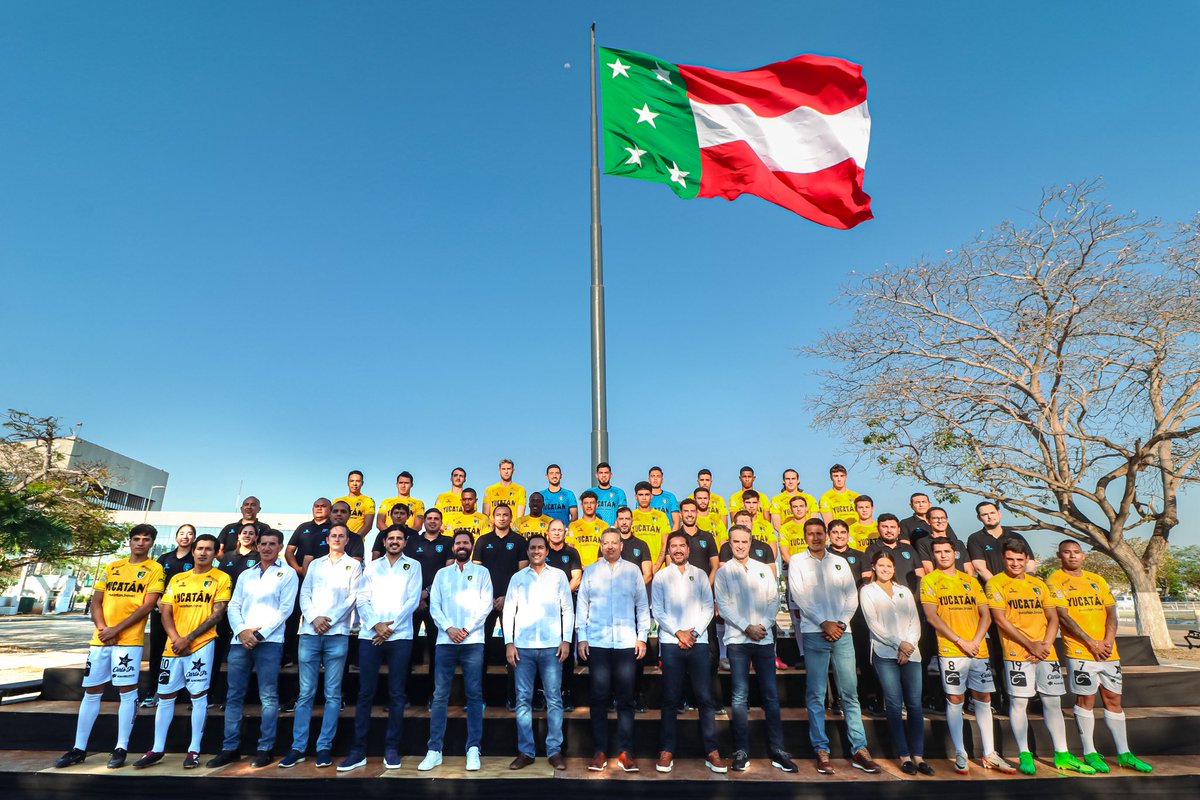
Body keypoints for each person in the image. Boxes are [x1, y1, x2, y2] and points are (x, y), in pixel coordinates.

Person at [55, 525, 165, 770]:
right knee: (92, 691)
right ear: (129, 541)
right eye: (136, 538)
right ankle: (79, 748)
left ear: (152, 543)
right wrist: (104, 627)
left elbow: (147, 606)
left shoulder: (154, 569)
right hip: (101, 639)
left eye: (146, 539)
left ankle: (121, 747)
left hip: (129, 641)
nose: (140, 543)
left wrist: (117, 630)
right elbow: (96, 600)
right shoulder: (112, 566)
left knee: (127, 693)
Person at [986, 539, 1094, 775]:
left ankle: (1062, 754)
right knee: (1019, 703)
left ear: (1027, 560)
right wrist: (1029, 644)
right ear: (1003, 559)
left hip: (1046, 653)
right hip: (1017, 653)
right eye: (1010, 559)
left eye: (1020, 559)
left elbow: (1053, 617)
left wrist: (1044, 644)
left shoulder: (1039, 584)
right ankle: (1025, 754)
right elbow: (1000, 619)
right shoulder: (996, 583)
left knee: (1052, 703)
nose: (1015, 563)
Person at [1049, 540, 1153, 773]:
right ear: (1060, 555)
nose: (1072, 556)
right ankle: (1090, 753)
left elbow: (1111, 612)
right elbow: (1064, 617)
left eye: (1076, 552)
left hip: (1108, 652)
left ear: (1083, 555)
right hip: (1081, 652)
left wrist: (1107, 640)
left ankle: (1124, 753)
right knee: (1085, 701)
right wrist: (1091, 642)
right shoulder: (1054, 580)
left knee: (1114, 700)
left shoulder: (1097, 580)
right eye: (1067, 552)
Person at [788, 518, 881, 775]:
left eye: (820, 533)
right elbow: (799, 595)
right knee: (816, 694)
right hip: (814, 632)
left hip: (843, 633)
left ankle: (859, 749)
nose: (816, 537)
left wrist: (839, 623)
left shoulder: (839, 562)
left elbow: (852, 596)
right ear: (804, 536)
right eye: (811, 534)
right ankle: (821, 749)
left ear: (826, 535)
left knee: (850, 693)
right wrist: (823, 622)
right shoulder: (797, 561)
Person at [132, 534, 230, 769]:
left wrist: (190, 638)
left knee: (198, 698)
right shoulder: (178, 578)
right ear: (193, 551)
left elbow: (218, 613)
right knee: (165, 697)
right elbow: (165, 610)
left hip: (201, 646)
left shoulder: (221, 578)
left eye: (208, 549)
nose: (203, 553)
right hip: (173, 646)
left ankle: (194, 749)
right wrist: (176, 638)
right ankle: (156, 749)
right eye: (199, 548)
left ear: (215, 553)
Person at [920, 538, 1014, 775]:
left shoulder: (970, 581)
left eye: (947, 551)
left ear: (955, 554)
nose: (943, 555)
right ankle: (960, 752)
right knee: (955, 699)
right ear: (933, 556)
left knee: (983, 698)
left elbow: (986, 615)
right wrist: (960, 641)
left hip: (977, 649)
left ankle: (990, 753)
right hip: (952, 650)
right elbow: (932, 617)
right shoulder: (929, 581)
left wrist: (974, 640)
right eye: (938, 552)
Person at [207, 530, 299, 768]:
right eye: (264, 544)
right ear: (257, 546)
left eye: (272, 544)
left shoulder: (287, 573)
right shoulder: (246, 575)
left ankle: (265, 747)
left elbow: (285, 609)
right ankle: (230, 747)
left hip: (269, 641)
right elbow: (234, 605)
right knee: (234, 695)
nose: (267, 548)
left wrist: (259, 634)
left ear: (280, 547)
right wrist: (242, 632)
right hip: (240, 641)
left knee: (268, 696)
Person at [338, 525, 422, 772]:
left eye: (399, 538)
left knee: (397, 694)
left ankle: (392, 748)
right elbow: (362, 598)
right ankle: (358, 750)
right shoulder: (372, 567)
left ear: (405, 542)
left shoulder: (413, 566)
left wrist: (390, 628)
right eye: (390, 538)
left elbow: (413, 600)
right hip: (370, 636)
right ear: (384, 542)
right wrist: (376, 625)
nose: (394, 542)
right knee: (365, 694)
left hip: (400, 636)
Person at [714, 526, 795, 773]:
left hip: (764, 640)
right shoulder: (723, 572)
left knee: (770, 697)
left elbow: (773, 600)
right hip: (738, 641)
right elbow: (724, 607)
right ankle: (741, 751)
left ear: (751, 542)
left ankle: (778, 750)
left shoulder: (762, 569)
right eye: (736, 541)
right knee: (739, 698)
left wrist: (765, 625)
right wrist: (747, 627)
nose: (740, 545)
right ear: (729, 543)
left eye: (745, 541)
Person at [280, 526, 361, 768]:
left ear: (347, 540)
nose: (337, 539)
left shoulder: (354, 565)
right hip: (310, 633)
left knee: (333, 694)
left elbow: (352, 597)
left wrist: (330, 619)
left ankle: (324, 746)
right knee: (305, 693)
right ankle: (298, 747)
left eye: (341, 536)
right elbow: (304, 594)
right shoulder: (315, 564)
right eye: (333, 536)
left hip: (336, 633)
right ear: (327, 539)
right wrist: (315, 617)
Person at [576, 529, 650, 773]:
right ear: (600, 545)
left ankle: (625, 752)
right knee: (598, 698)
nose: (609, 546)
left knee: (626, 699)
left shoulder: (632, 570)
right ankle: (599, 751)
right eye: (605, 543)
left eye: (614, 543)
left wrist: (641, 638)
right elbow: (582, 605)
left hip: (626, 643)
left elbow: (642, 605)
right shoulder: (591, 571)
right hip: (597, 642)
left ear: (621, 545)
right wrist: (582, 638)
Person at [652, 532, 727, 774]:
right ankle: (666, 750)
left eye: (681, 545)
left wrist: (692, 635)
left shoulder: (701, 574)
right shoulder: (661, 576)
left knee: (705, 698)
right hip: (671, 643)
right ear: (669, 550)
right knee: (670, 699)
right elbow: (658, 611)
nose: (677, 550)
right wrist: (678, 633)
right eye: (673, 546)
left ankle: (712, 751)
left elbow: (708, 607)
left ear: (688, 548)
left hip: (698, 643)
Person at [419, 532, 493, 772]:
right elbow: (435, 606)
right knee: (440, 695)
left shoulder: (482, 573)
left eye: (466, 543)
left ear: (471, 546)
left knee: (474, 694)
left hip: (473, 641)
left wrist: (466, 629)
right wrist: (449, 628)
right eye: (458, 543)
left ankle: (473, 748)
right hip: (445, 641)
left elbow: (486, 605)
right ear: (453, 547)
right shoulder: (442, 574)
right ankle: (434, 750)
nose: (462, 546)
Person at [504, 534, 574, 771]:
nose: (536, 551)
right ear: (528, 551)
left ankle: (554, 751)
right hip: (522, 647)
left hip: (552, 647)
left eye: (540, 547)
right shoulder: (517, 578)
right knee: (523, 700)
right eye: (532, 548)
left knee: (554, 699)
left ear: (546, 551)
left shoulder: (558, 576)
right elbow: (508, 611)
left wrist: (566, 640)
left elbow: (567, 608)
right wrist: (509, 643)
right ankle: (526, 751)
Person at [860, 550, 929, 775]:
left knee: (914, 704)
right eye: (881, 565)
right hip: (884, 653)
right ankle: (904, 756)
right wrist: (899, 643)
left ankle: (918, 755)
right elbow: (874, 624)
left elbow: (914, 621)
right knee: (893, 703)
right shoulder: (868, 591)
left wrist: (908, 645)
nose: (885, 569)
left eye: (889, 566)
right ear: (874, 567)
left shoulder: (904, 591)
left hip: (911, 653)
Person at [472, 503, 528, 707]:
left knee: (513, 650)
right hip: (485, 603)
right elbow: (476, 574)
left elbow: (521, 574)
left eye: (506, 515)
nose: (502, 518)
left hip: (511, 602)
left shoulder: (519, 541)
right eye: (498, 515)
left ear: (511, 518)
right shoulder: (483, 540)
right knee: (481, 651)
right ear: (492, 518)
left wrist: (506, 597)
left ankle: (513, 697)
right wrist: (489, 599)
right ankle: (479, 698)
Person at [142, 524, 195, 708]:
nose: (185, 537)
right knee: (157, 651)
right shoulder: (164, 558)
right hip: (160, 611)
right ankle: (152, 691)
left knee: (179, 649)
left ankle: (179, 692)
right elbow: (154, 584)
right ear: (176, 537)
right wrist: (160, 603)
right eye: (182, 533)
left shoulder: (195, 558)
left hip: (184, 613)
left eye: (189, 534)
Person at [212, 523, 260, 705]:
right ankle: (213, 695)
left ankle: (239, 699)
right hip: (225, 611)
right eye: (244, 533)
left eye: (251, 533)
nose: (247, 536)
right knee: (219, 654)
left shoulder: (258, 557)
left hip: (246, 613)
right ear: (238, 536)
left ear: (256, 537)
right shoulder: (228, 557)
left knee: (243, 658)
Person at [405, 507, 454, 668]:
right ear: (424, 521)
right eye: (429, 518)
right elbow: (407, 571)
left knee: (436, 644)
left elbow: (447, 573)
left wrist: (426, 592)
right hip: (414, 599)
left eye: (436, 519)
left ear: (441, 522)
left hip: (437, 601)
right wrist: (417, 597)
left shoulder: (448, 542)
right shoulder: (412, 541)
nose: (432, 521)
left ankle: (434, 690)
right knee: (408, 644)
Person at [544, 518, 582, 711]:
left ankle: (566, 693)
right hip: (544, 610)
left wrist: (560, 597)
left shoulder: (571, 552)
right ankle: (542, 694)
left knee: (565, 650)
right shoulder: (543, 551)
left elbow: (576, 577)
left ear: (564, 532)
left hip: (566, 607)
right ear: (548, 533)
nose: (557, 533)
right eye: (554, 530)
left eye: (560, 530)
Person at [968, 501, 1035, 582]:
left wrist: (1027, 582)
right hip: (991, 588)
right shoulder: (975, 538)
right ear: (979, 518)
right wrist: (997, 585)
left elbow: (1030, 562)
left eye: (992, 513)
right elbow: (980, 568)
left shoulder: (1015, 536)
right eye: (984, 514)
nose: (989, 517)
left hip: (1019, 586)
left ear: (999, 514)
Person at [862, 513, 921, 591]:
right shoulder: (871, 550)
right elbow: (866, 576)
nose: (889, 530)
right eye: (885, 527)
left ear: (899, 530)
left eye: (892, 527)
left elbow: (920, 572)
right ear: (878, 529)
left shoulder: (908, 548)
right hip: (885, 598)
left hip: (911, 597)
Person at [916, 506, 972, 575]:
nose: (940, 521)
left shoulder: (958, 543)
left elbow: (968, 568)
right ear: (928, 521)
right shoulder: (923, 543)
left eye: (942, 518)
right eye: (935, 518)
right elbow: (928, 569)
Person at [631, 480, 671, 569]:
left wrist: (657, 565)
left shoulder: (661, 516)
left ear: (651, 496)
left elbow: (665, 543)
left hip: (658, 567)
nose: (644, 498)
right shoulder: (631, 516)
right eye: (641, 495)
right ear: (636, 496)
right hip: (637, 566)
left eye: (647, 494)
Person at [568, 490, 607, 567]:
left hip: (598, 568)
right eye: (586, 503)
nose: (589, 506)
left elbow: (605, 549)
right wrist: (579, 566)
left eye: (592, 503)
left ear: (597, 505)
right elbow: (570, 548)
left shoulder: (604, 526)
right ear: (581, 505)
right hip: (579, 568)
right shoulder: (573, 525)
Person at [334, 470, 375, 539]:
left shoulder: (368, 500)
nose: (354, 484)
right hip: (338, 540)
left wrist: (353, 540)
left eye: (358, 481)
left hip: (356, 542)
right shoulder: (337, 501)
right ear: (348, 483)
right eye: (352, 481)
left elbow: (368, 525)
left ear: (362, 483)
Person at [778, 494, 814, 560]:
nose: (798, 509)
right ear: (791, 510)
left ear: (806, 508)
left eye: (801, 506)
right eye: (795, 507)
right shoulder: (784, 528)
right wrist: (795, 567)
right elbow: (784, 554)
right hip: (794, 566)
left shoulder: (814, 526)